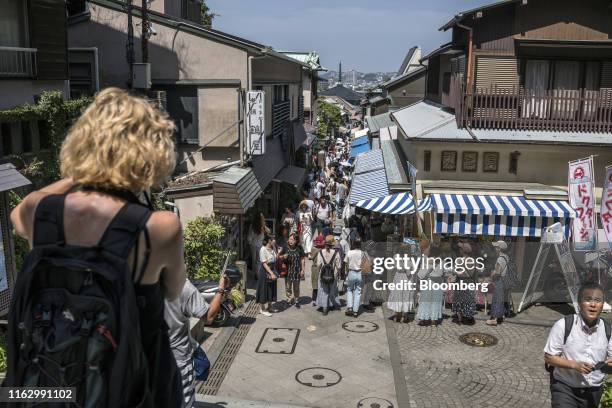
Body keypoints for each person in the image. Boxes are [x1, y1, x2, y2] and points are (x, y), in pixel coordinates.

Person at [8, 88, 184, 406]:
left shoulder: (41, 213)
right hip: (133, 387)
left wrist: (82, 172)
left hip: (47, 387)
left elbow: (17, 213)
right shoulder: (157, 228)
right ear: (151, 151)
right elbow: (173, 292)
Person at [544, 282, 612, 408]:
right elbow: (549, 357)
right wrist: (575, 365)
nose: (593, 305)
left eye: (598, 301)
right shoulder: (563, 325)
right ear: (579, 303)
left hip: (594, 391)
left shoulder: (608, 330)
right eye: (588, 300)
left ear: (603, 305)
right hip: (565, 388)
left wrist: (607, 365)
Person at [165, 278, 226, 408]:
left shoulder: (133, 282)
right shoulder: (181, 285)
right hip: (178, 361)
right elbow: (208, 317)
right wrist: (220, 289)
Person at [388, 243, 420, 323]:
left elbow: (392, 266)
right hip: (406, 279)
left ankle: (397, 315)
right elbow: (410, 272)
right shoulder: (410, 259)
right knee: (406, 296)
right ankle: (404, 316)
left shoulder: (395, 256)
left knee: (398, 295)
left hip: (398, 277)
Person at [416, 245, 447, 326]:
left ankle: (424, 318)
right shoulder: (442, 261)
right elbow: (444, 273)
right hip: (438, 284)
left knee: (425, 301)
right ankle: (433, 320)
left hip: (428, 283)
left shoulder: (426, 260)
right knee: (436, 302)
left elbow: (421, 275)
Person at [315, 235, 342, 315]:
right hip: (333, 275)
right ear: (332, 245)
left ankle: (325, 308)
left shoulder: (320, 252)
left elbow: (318, 265)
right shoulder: (336, 253)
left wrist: (319, 274)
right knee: (332, 290)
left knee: (324, 291)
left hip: (323, 275)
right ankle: (333, 304)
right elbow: (339, 266)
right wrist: (339, 274)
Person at [452, 242, 476, 325]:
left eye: (460, 249)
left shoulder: (459, 260)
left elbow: (456, 271)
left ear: (462, 250)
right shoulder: (472, 261)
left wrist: (457, 272)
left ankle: (460, 318)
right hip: (469, 283)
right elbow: (472, 274)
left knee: (459, 300)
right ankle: (468, 316)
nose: (459, 250)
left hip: (460, 282)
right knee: (468, 300)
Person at [487, 240, 509, 326]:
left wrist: (492, 276)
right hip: (504, 280)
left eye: (496, 246)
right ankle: (500, 316)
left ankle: (494, 319)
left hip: (499, 280)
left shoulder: (500, 259)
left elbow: (498, 272)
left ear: (499, 248)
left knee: (497, 298)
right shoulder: (506, 256)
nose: (494, 248)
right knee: (501, 298)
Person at [280, 233, 306, 307]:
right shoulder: (285, 247)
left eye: (293, 239)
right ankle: (289, 299)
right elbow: (279, 257)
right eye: (290, 239)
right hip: (287, 271)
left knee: (296, 287)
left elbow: (302, 259)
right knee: (288, 287)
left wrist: (302, 270)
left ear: (296, 241)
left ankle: (296, 300)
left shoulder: (299, 248)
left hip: (297, 271)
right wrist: (283, 257)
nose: (290, 241)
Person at [256, 235, 278, 316]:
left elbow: (276, 258)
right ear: (269, 240)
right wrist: (271, 273)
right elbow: (264, 263)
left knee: (271, 288)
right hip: (265, 271)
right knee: (263, 289)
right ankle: (262, 309)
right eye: (273, 239)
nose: (275, 241)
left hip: (272, 269)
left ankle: (270, 306)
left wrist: (276, 249)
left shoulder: (273, 248)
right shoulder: (263, 249)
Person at [344, 238, 365, 317]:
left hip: (351, 272)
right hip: (360, 273)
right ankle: (355, 311)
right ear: (360, 245)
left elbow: (345, 263)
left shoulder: (349, 252)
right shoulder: (363, 253)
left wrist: (346, 272)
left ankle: (350, 307)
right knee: (358, 292)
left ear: (353, 244)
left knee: (349, 289)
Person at [248, 212, 270, 280]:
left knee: (254, 260)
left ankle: (255, 273)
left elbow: (250, 237)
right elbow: (269, 231)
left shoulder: (253, 226)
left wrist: (249, 243)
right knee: (259, 260)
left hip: (253, 245)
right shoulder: (262, 226)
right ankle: (257, 274)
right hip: (259, 245)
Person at [310, 234, 326, 305]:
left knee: (315, 284)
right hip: (322, 268)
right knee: (322, 285)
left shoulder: (313, 249)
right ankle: (321, 299)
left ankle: (314, 299)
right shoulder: (324, 250)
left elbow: (311, 257)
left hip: (315, 267)